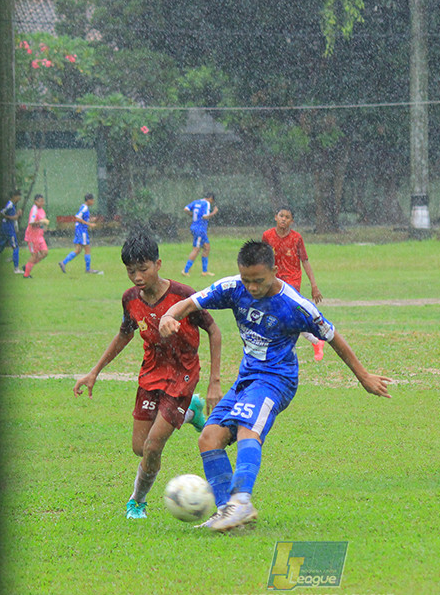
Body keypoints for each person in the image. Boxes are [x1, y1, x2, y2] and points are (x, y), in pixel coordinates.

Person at [159, 240, 392, 532]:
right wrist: (168, 316)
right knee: (208, 438)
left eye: (259, 281)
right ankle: (228, 512)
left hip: (276, 379)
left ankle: (242, 500)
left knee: (247, 427)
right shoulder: (233, 288)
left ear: (275, 271)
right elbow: (191, 302)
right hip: (247, 378)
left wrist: (364, 377)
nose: (252, 287)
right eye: (247, 280)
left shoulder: (295, 305)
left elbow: (333, 338)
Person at [73, 230, 223, 520]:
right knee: (140, 449)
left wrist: (214, 381)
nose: (137, 276)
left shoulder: (183, 296)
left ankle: (136, 502)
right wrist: (94, 372)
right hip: (151, 373)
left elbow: (214, 331)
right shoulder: (130, 299)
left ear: (158, 264)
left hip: (183, 374)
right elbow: (124, 334)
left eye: (143, 269)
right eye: (131, 271)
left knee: (154, 447)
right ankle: (189, 413)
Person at [262, 206, 326, 361]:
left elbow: (305, 261)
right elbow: (262, 258)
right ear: (275, 217)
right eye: (281, 215)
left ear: (292, 221)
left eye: (287, 217)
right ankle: (315, 341)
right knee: (282, 315)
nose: (284, 219)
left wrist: (314, 286)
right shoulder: (267, 236)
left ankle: (284, 349)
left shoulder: (296, 238)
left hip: (292, 281)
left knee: (285, 313)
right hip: (274, 280)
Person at [59, 194, 102, 275]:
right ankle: (88, 269)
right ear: (88, 200)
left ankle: (63, 262)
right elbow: (77, 218)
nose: (93, 202)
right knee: (87, 249)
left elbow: (82, 218)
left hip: (79, 230)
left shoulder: (84, 207)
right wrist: (89, 224)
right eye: (92, 200)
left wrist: (91, 219)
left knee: (78, 250)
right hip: (82, 231)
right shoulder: (85, 208)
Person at [182, 192, 218, 277]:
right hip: (200, 229)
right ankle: (185, 270)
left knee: (207, 247)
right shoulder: (207, 203)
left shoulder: (196, 202)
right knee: (196, 249)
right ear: (211, 198)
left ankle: (204, 271)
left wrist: (194, 216)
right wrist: (214, 212)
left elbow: (186, 209)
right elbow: (205, 216)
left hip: (196, 227)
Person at [0, 189, 22, 273]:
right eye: (18, 197)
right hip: (8, 229)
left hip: (6, 228)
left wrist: (16, 215)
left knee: (0, 247)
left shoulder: (12, 205)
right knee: (15, 247)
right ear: (14, 196)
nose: (19, 199)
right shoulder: (9, 205)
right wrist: (15, 216)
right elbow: (2, 213)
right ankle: (16, 269)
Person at [22, 194, 49, 278]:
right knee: (34, 255)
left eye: (43, 201)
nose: (42, 203)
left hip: (39, 236)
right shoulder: (34, 209)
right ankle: (26, 274)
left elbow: (43, 222)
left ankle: (27, 266)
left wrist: (44, 226)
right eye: (40, 201)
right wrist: (41, 221)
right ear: (35, 201)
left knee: (45, 253)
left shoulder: (42, 210)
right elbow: (31, 222)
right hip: (32, 236)